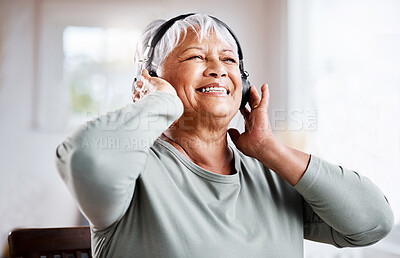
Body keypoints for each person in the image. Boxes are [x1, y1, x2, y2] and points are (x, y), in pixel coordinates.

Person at [56, 13, 394, 258]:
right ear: (149, 82)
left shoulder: (271, 174)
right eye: (195, 57)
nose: (218, 68)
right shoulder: (135, 169)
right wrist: (158, 102)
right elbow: (87, 160)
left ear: (243, 86)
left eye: (228, 59)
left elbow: (373, 223)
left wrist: (268, 148)